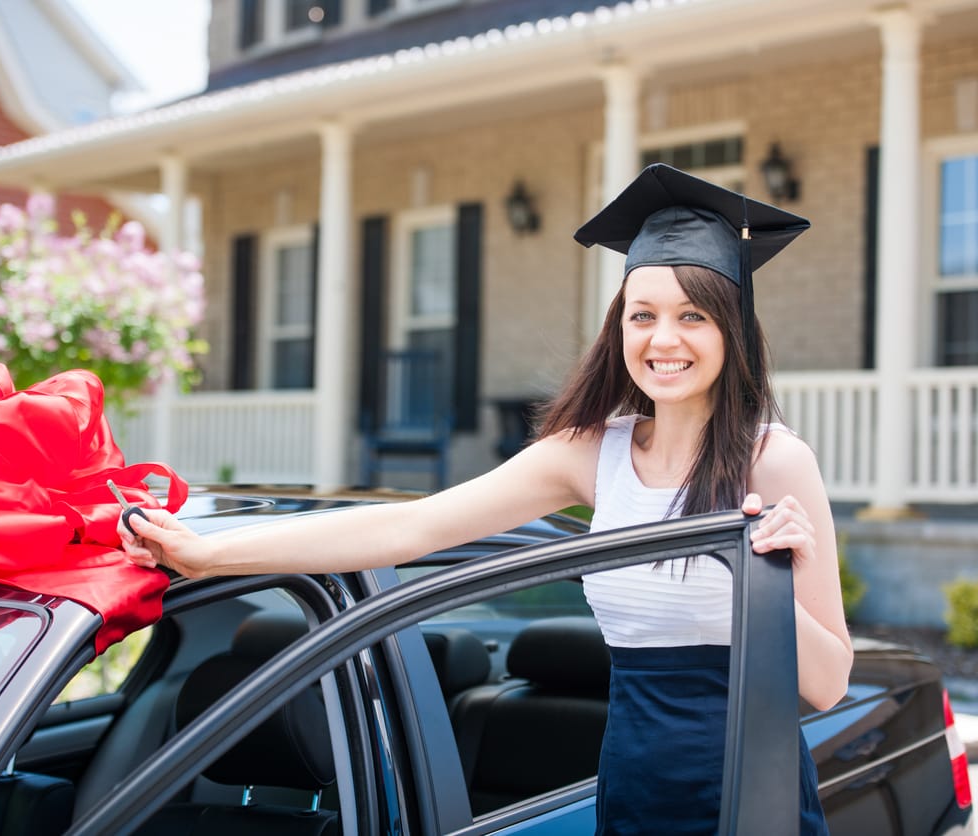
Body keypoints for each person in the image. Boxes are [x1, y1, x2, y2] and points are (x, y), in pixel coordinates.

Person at [118, 164, 851, 835]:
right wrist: (208, 555)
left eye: (693, 315)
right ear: (619, 326)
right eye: (642, 314)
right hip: (633, 795)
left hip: (753, 805)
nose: (664, 339)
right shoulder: (592, 452)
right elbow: (413, 526)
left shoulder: (772, 460)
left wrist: (762, 581)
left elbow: (827, 684)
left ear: (732, 329)